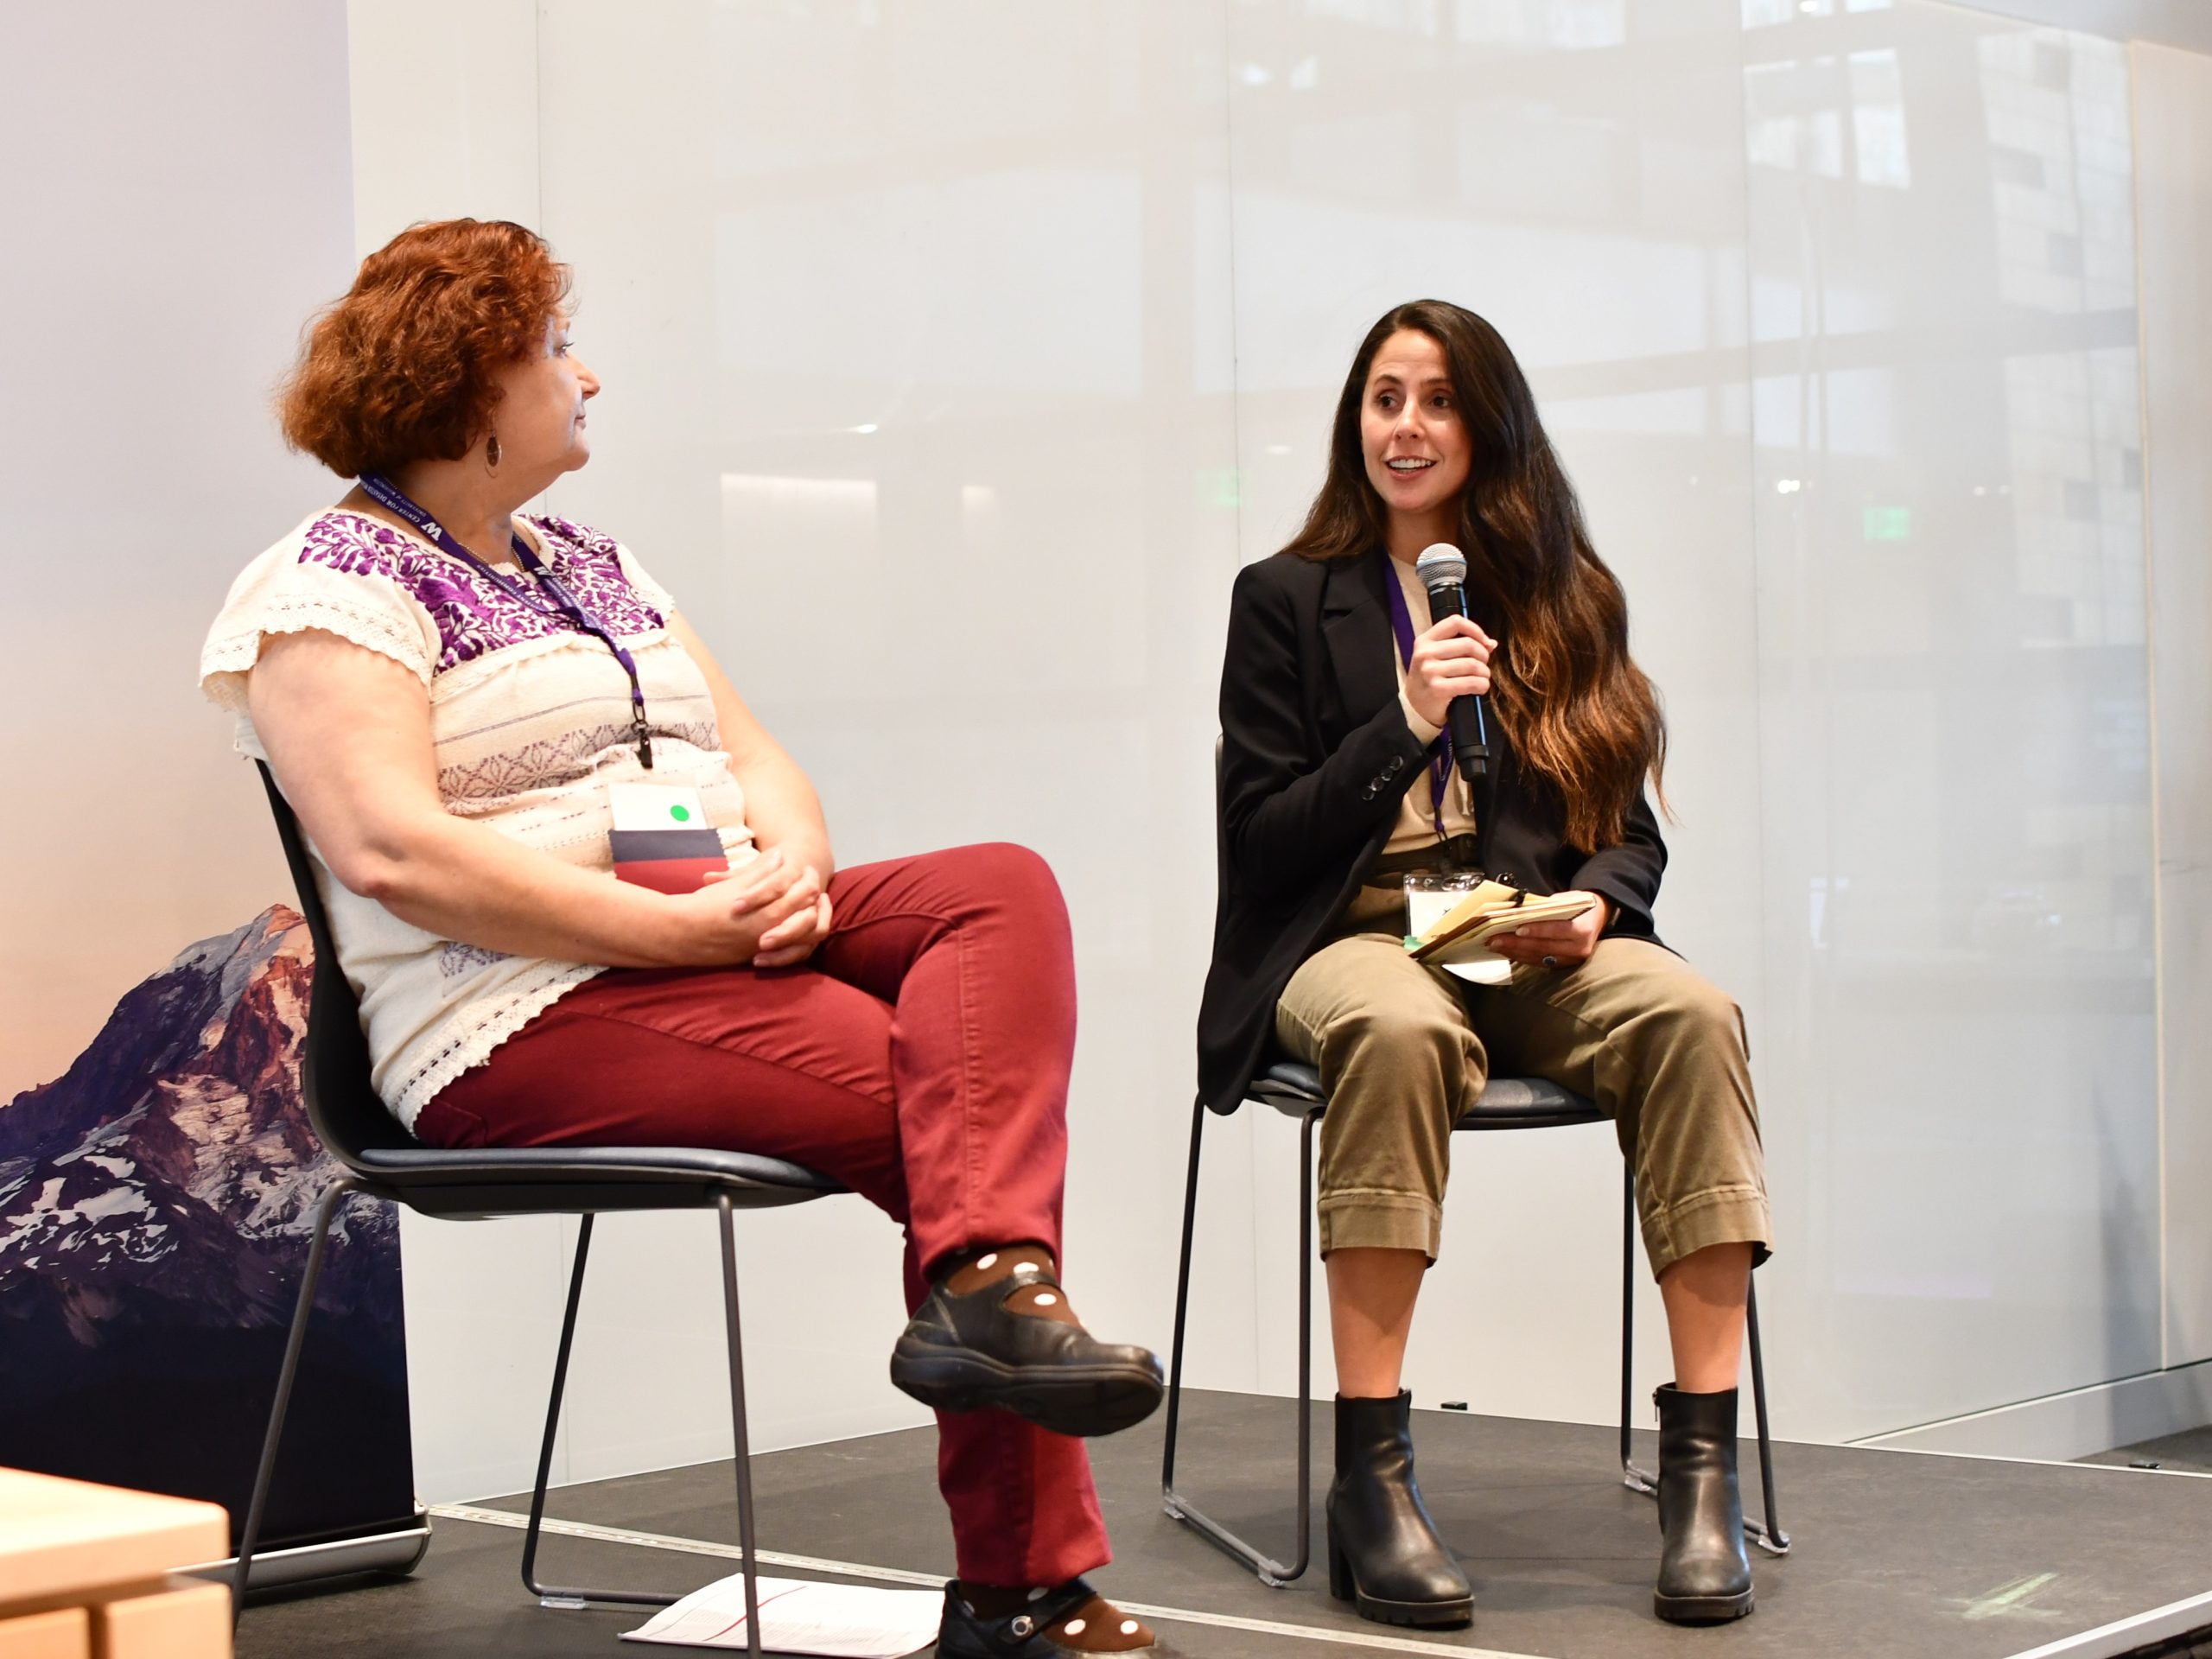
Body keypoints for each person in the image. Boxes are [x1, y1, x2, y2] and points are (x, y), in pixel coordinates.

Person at [200, 219, 1164, 1659]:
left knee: (996, 889)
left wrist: (794, 873)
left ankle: (989, 1304)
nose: (589, 375)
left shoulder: (590, 561)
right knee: (949, 1109)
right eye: (556, 349)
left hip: (703, 936)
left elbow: (755, 757)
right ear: (471, 386)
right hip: (515, 1013)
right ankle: (1023, 1588)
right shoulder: (328, 590)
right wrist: (676, 932)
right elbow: (392, 853)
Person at [1197, 300, 1772, 1630]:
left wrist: (1593, 907)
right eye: (1385, 398)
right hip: (1351, 934)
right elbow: (1263, 842)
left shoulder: (1565, 598)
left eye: (1439, 400)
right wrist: (1404, 722)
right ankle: (1373, 1481)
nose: (1406, 427)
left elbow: (1627, 831)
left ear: (1488, 425)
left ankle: (1703, 1473)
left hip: (1519, 932)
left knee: (1693, 1013)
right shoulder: (1284, 601)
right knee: (1397, 1032)